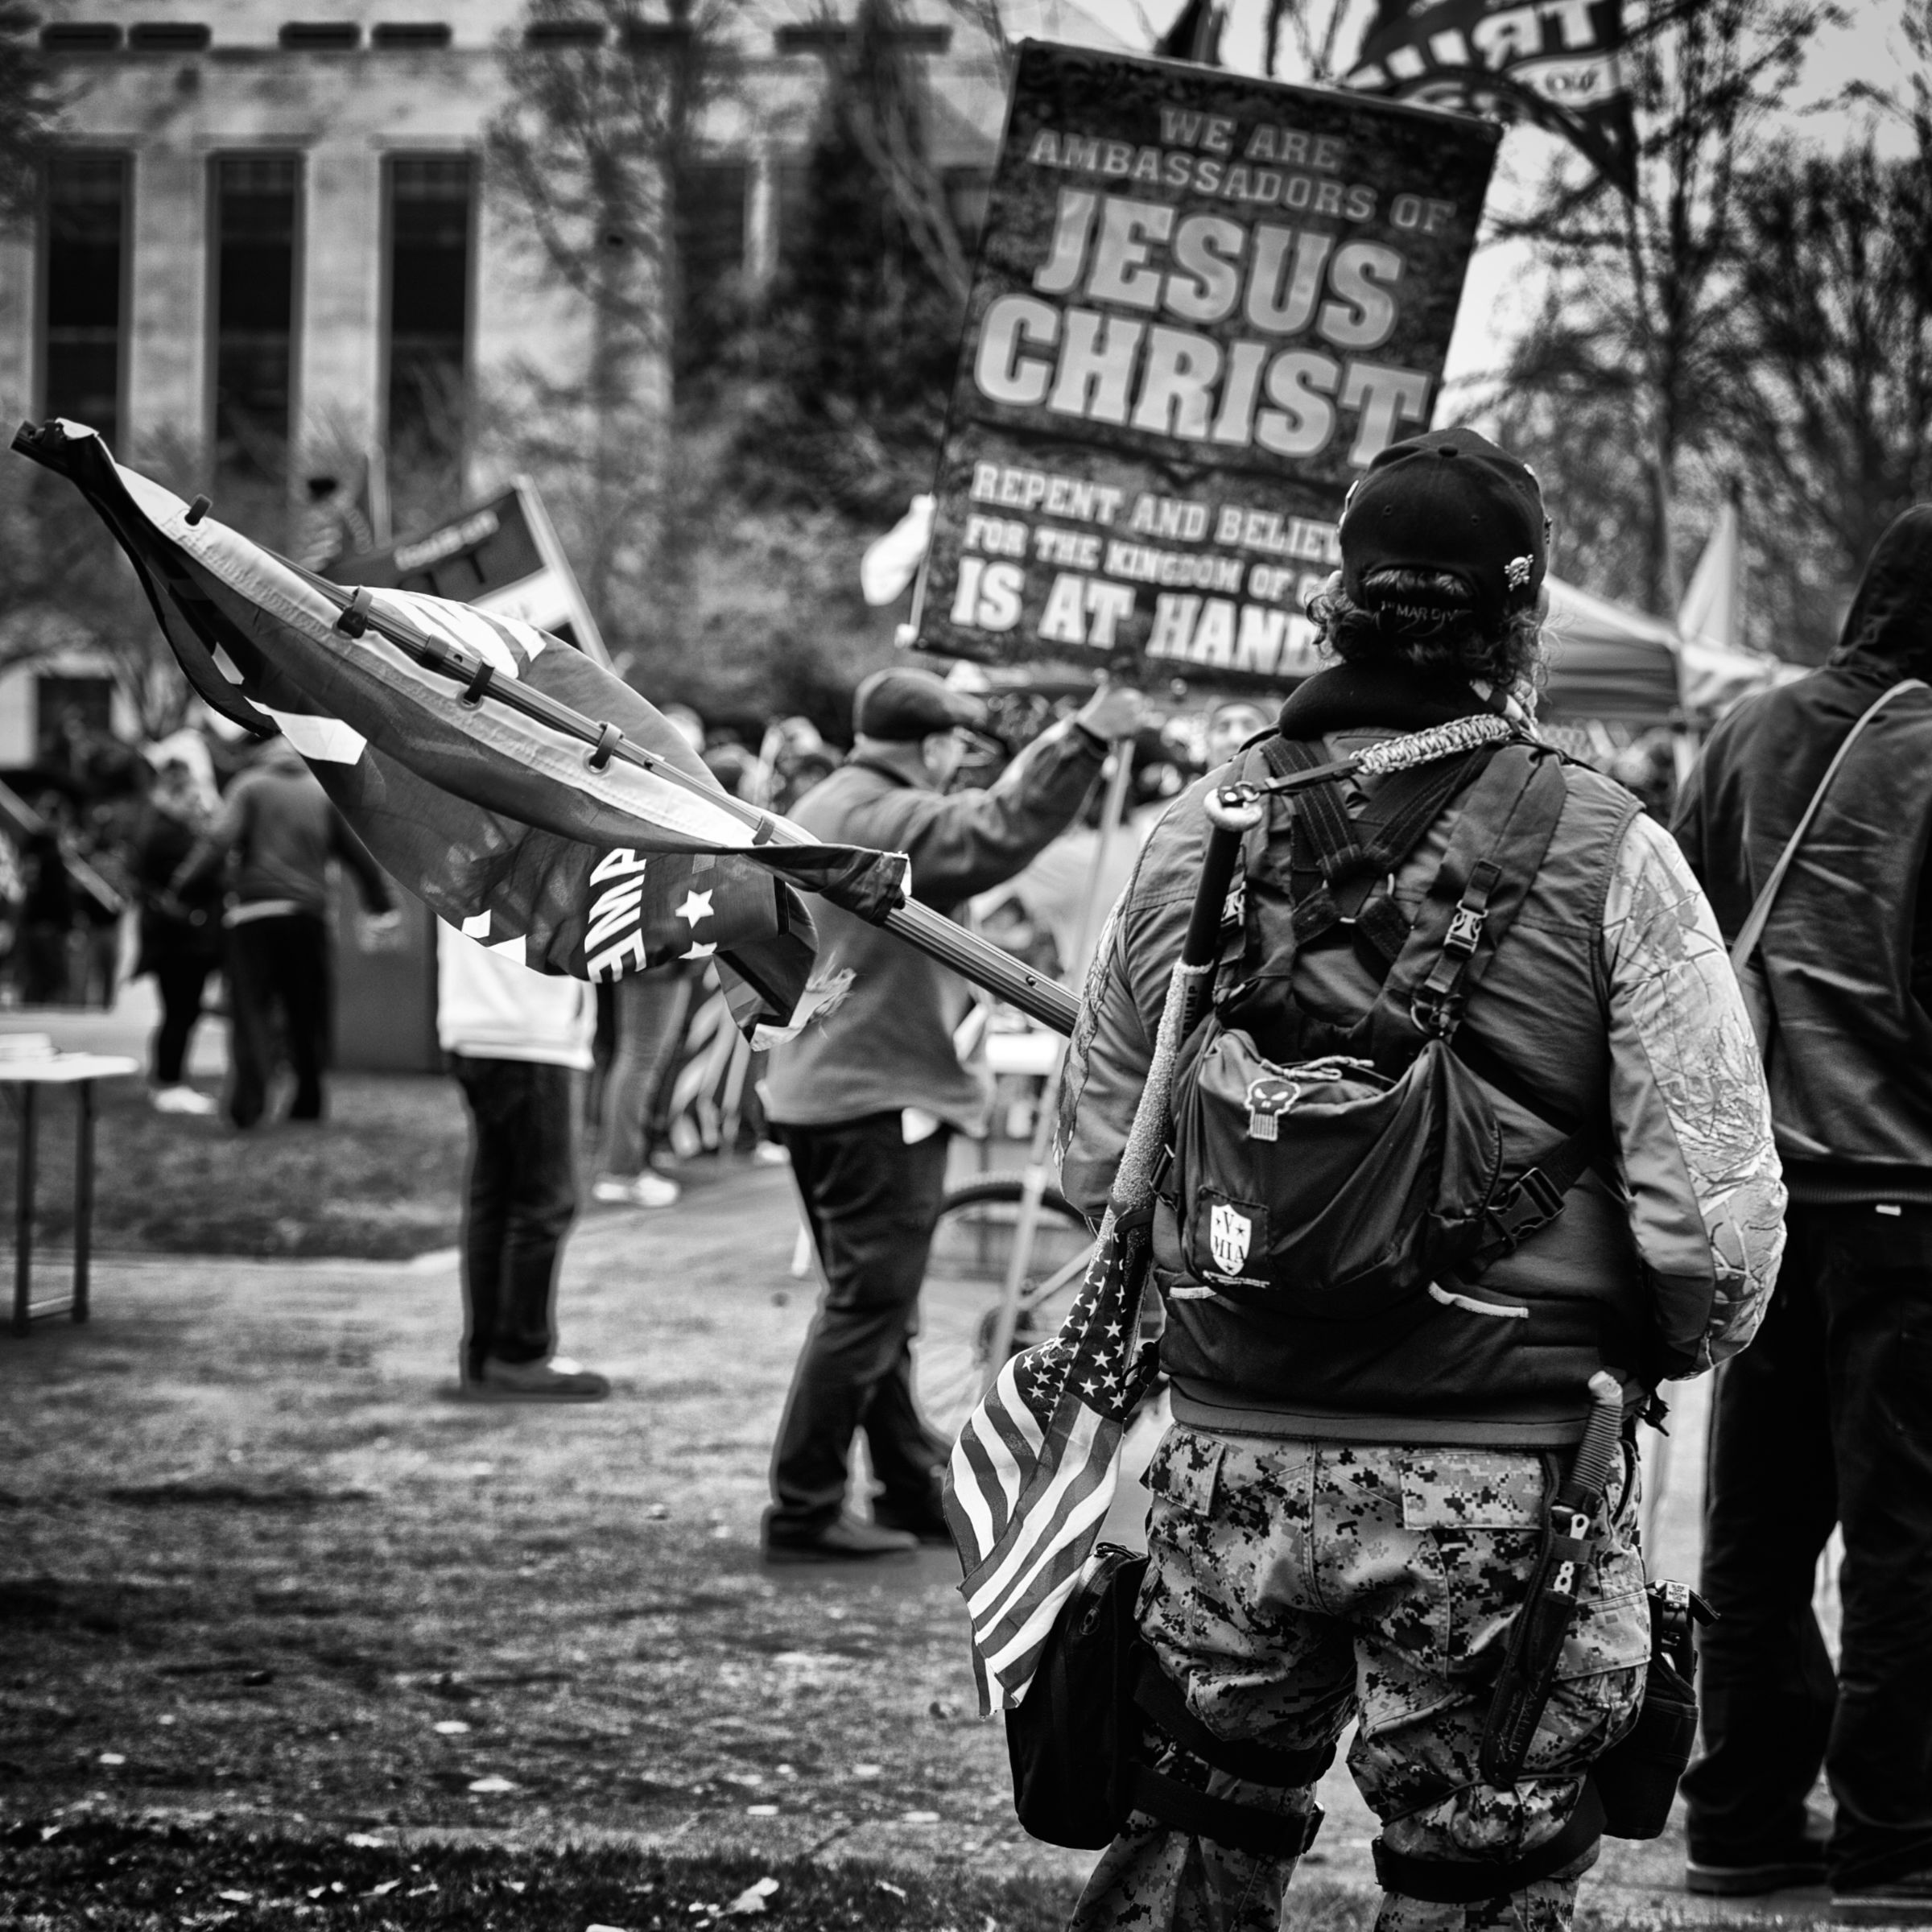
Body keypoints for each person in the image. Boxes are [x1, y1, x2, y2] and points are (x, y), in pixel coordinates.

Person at [1056, 427, 1785, 1932]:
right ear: (1524, 621)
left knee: (1196, 1814)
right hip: (1503, 1468)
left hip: (1229, 1451)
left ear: (1340, 599)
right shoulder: (1616, 850)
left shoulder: (1199, 831)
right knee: (1481, 1865)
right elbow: (1718, 1220)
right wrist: (1661, 1351)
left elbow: (1093, 1152)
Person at [1671, 506, 1932, 1916]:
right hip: (1911, 1198)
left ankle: (1744, 1818)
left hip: (1759, 1198)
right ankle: (1897, 1840)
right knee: (1910, 1538)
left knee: (1757, 1529)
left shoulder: (1750, 733)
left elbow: (1684, 957)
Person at [761, 667, 1144, 1562]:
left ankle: (902, 1476)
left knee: (878, 1306)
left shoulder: (836, 795)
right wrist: (1084, 738)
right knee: (869, 1307)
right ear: (930, 747)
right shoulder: (879, 814)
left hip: (830, 1090)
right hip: (874, 1098)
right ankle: (803, 1505)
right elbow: (993, 833)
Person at [172, 735, 396, 1128]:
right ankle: (307, 1104)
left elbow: (219, 840)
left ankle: (248, 1107)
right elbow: (358, 854)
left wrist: (184, 887)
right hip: (307, 917)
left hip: (252, 919)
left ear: (262, 755)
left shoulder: (250, 785)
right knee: (307, 1014)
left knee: (251, 1012)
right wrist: (380, 901)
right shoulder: (321, 793)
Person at [438, 924, 608, 1400]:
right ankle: (517, 1352)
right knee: (543, 1200)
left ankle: (488, 1352)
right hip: (528, 1025)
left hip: (479, 1016)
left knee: (496, 1198)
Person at [130, 751, 225, 1113]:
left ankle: (166, 1081)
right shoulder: (169, 836)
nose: (196, 805)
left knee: (178, 1012)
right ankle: (169, 1084)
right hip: (180, 941)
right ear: (172, 796)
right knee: (180, 1012)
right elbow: (209, 873)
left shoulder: (160, 829)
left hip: (173, 939)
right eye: (191, 799)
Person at [591, 963, 689, 1209]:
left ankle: (621, 1167)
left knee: (631, 1058)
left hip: (646, 955)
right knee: (640, 1060)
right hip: (656, 955)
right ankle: (622, 1171)